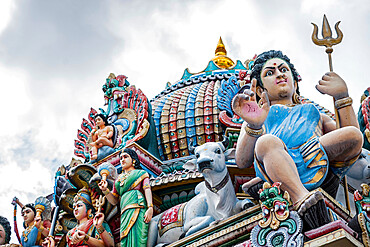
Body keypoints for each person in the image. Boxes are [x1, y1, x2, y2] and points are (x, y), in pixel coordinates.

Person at [232, 50, 363, 229]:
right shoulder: (259, 115)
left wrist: (342, 98)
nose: (279, 74)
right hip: (277, 162)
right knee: (266, 142)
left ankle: (305, 189)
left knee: (354, 135)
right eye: (270, 73)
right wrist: (254, 126)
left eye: (284, 70)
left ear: (295, 80)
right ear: (260, 89)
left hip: (315, 157)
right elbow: (241, 160)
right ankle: (301, 198)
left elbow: (352, 140)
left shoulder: (313, 111)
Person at [98, 148, 153, 247]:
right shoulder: (118, 180)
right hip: (124, 213)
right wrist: (105, 190)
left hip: (137, 207)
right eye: (121, 158)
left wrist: (150, 207)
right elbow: (114, 201)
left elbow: (147, 188)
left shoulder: (140, 173)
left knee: (138, 237)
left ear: (134, 160)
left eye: (126, 157)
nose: (122, 160)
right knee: (125, 239)